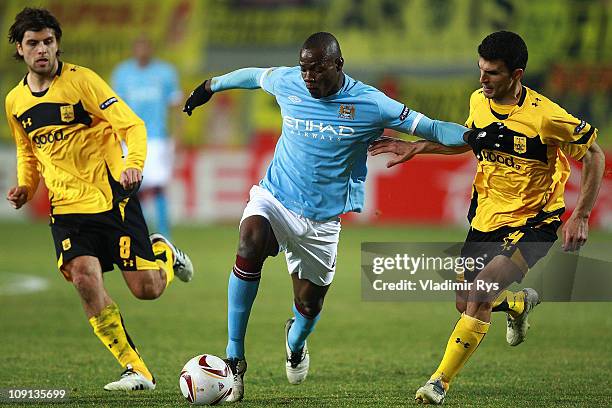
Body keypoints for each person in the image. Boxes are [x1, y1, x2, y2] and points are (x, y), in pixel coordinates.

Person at [183, 31, 477, 402]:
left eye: (317, 70)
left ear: (338, 65)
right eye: (304, 69)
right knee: (250, 240)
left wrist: (476, 135)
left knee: (308, 306)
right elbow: (254, 75)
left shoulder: (372, 103)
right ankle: (234, 358)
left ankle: (296, 343)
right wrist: (211, 86)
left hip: (322, 222)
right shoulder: (289, 80)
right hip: (276, 198)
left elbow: (434, 128)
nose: (308, 78)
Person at [368, 30, 605, 405]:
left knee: (481, 292)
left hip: (534, 221)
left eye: (492, 73)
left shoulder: (546, 116)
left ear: (517, 74)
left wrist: (581, 215)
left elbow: (594, 154)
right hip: (487, 215)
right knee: (466, 303)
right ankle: (516, 304)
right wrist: (418, 147)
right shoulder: (479, 100)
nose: (483, 79)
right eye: (481, 70)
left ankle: (438, 382)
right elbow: (470, 140)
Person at [5, 7, 194, 392]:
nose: (42, 49)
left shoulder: (83, 82)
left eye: (48, 42)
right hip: (67, 209)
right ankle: (135, 368)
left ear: (57, 44)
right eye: (33, 43)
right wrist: (26, 187)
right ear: (20, 50)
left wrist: (133, 164)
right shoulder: (15, 102)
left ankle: (166, 256)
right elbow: (27, 150)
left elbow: (132, 124)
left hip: (110, 197)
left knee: (147, 289)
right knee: (83, 279)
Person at [111, 35, 182, 238]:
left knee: (158, 186)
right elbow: (114, 110)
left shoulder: (166, 73)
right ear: (134, 50)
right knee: (134, 188)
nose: (142, 51)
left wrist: (177, 135)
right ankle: (138, 232)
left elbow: (176, 107)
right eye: (138, 47)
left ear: (151, 49)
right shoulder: (122, 73)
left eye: (145, 46)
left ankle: (164, 235)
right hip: (130, 139)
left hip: (158, 139)